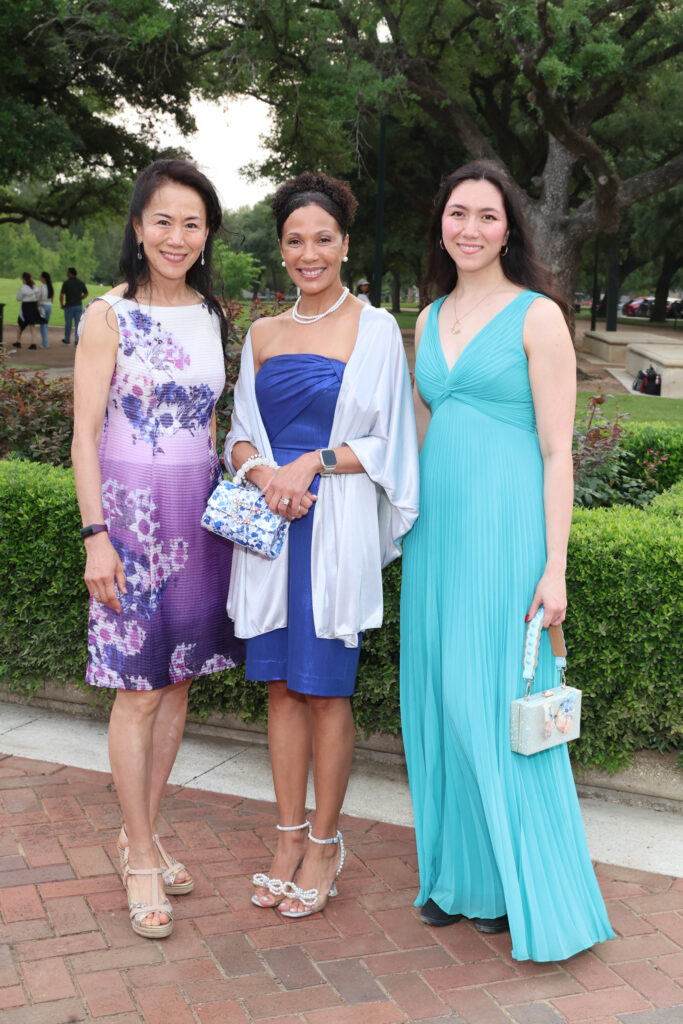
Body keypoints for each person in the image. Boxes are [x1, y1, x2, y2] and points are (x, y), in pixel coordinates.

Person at [400, 160, 615, 962]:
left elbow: (557, 450)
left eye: (487, 217)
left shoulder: (537, 317)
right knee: (439, 698)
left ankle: (509, 885)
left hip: (506, 533)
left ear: (509, 229)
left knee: (492, 698)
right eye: (457, 213)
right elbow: (422, 439)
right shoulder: (427, 318)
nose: (470, 229)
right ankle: (456, 877)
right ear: (441, 224)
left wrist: (552, 566)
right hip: (435, 539)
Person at [225, 171, 418, 918]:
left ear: (343, 244)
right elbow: (237, 432)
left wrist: (312, 462)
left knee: (325, 691)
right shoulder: (262, 334)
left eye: (323, 240)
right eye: (295, 241)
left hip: (332, 531)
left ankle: (327, 842)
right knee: (280, 688)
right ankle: (285, 836)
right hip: (272, 532)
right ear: (280, 250)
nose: (310, 254)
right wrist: (264, 469)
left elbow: (392, 442)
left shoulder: (373, 330)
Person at [71, 158, 243, 940]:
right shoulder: (107, 316)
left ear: (207, 234)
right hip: (129, 524)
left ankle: (141, 832)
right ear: (138, 228)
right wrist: (95, 536)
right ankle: (139, 856)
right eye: (163, 220)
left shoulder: (211, 313)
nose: (178, 235)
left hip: (195, 521)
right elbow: (84, 435)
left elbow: (209, 428)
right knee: (135, 690)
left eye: (193, 222)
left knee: (176, 686)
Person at [60, 267, 88, 345]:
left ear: (70, 273)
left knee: (68, 323)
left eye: (67, 273)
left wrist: (62, 304)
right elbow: (86, 293)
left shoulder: (66, 283)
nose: (67, 274)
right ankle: (77, 340)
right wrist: (81, 298)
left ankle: (67, 339)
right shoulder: (80, 283)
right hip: (78, 305)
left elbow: (62, 295)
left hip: (69, 305)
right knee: (77, 324)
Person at [14, 272, 41, 348]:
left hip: (25, 306)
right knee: (32, 325)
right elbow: (38, 297)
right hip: (33, 306)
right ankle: (33, 343)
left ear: (24, 279)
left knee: (20, 323)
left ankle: (18, 341)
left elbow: (18, 298)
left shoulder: (23, 287)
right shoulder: (35, 287)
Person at [37, 271, 54, 348]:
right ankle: (45, 342)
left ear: (43, 278)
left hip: (42, 306)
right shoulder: (51, 287)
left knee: (43, 325)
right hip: (49, 306)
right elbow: (52, 299)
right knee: (45, 324)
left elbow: (38, 298)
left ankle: (45, 343)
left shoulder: (41, 287)